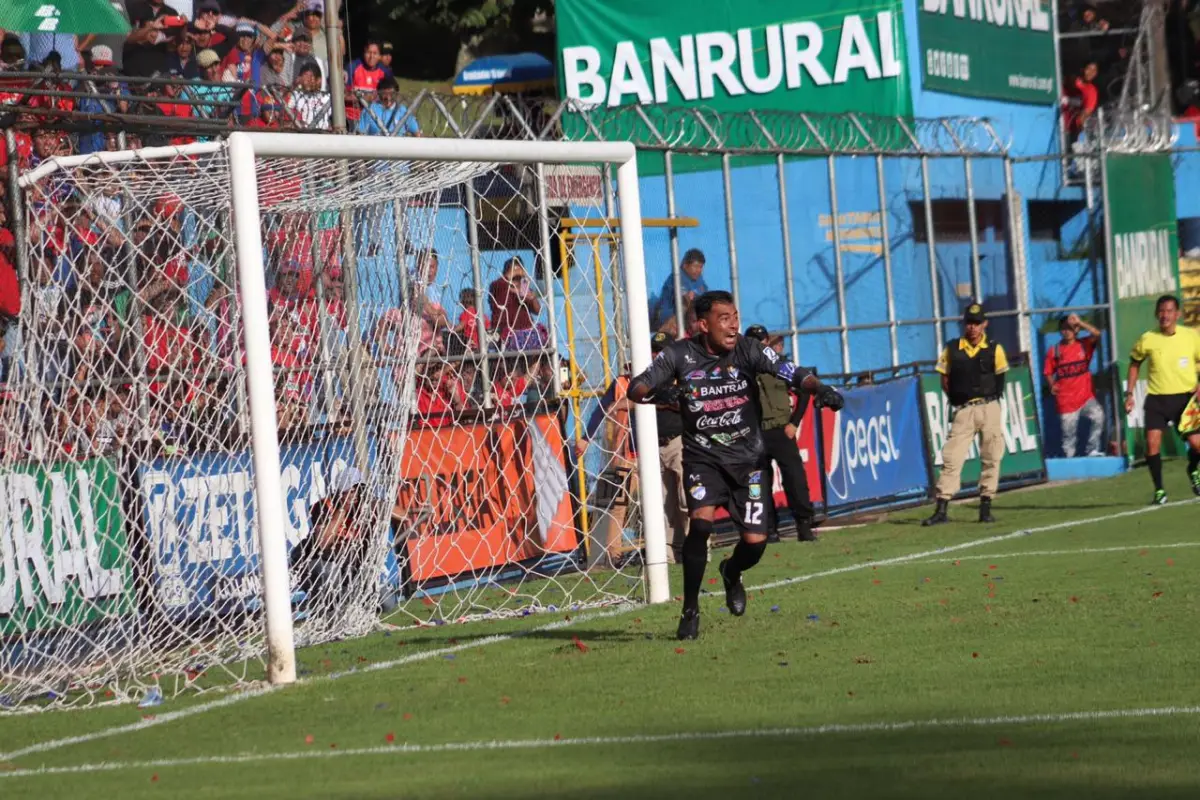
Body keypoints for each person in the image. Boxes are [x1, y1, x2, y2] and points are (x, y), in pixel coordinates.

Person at [628, 290, 844, 639]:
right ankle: (690, 610)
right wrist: (661, 395)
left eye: (735, 316)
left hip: (749, 462)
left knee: (756, 542)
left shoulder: (748, 349)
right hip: (702, 458)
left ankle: (731, 572)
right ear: (702, 324)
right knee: (700, 525)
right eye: (723, 318)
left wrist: (820, 389)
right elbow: (636, 388)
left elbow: (791, 372)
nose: (732, 325)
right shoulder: (679, 354)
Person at [578, 332, 690, 564]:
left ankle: (681, 546)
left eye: (660, 351)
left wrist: (630, 402)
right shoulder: (622, 381)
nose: (655, 355)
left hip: (653, 451)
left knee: (670, 501)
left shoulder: (674, 376)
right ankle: (609, 555)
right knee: (613, 504)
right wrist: (585, 438)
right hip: (623, 452)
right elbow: (601, 409)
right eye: (652, 350)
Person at [923, 303, 1008, 526]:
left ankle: (985, 506)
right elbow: (944, 377)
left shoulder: (994, 348)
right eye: (969, 323)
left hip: (989, 407)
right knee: (952, 457)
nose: (972, 328)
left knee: (992, 456)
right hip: (964, 409)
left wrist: (992, 398)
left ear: (984, 324)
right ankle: (942, 508)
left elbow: (1000, 377)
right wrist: (956, 397)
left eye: (977, 323)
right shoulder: (952, 349)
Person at [1123, 295, 1200, 504]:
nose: (1165, 315)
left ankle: (1193, 469)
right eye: (1161, 311)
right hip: (1157, 400)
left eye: (1169, 311)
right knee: (1152, 445)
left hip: (1186, 399)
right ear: (1157, 314)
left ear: (1178, 314)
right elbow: (1134, 364)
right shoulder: (1148, 338)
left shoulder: (1191, 336)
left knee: (1197, 445)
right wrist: (1129, 394)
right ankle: (1159, 491)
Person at [744, 325, 817, 542]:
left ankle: (804, 525)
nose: (759, 345)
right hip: (756, 434)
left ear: (767, 342)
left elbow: (804, 390)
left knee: (794, 479)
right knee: (759, 484)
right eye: (754, 342)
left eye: (762, 341)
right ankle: (769, 529)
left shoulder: (780, 365)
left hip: (780, 430)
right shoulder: (742, 369)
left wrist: (794, 422)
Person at [1044, 313, 1105, 457]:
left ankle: (1092, 450)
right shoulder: (1055, 350)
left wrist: (1081, 323)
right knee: (1068, 435)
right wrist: (1052, 384)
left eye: (1070, 328)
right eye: (1063, 328)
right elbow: (1047, 372)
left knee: (1099, 417)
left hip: (1085, 397)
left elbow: (1097, 334)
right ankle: (1069, 460)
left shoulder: (1084, 345)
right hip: (1066, 401)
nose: (1067, 331)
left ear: (1076, 330)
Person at [489, 256, 544, 351]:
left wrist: (533, 298)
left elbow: (537, 311)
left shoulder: (523, 285)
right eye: (515, 269)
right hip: (506, 332)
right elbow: (498, 288)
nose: (518, 271)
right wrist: (511, 274)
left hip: (526, 333)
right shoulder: (499, 285)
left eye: (520, 268)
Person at [653, 248, 708, 335]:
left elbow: (705, 296)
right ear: (685, 265)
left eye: (700, 267)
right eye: (695, 266)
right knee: (687, 303)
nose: (698, 270)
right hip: (669, 316)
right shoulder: (678, 277)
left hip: (688, 320)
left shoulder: (698, 279)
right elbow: (686, 299)